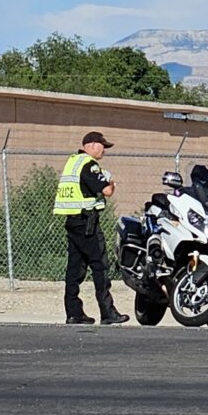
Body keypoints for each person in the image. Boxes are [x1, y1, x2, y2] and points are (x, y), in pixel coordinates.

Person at [55, 130, 127, 325]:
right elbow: (107, 191)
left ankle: (73, 313)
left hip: (72, 221)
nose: (104, 150)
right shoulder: (89, 165)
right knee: (100, 266)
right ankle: (107, 312)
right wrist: (111, 182)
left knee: (75, 269)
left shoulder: (73, 162)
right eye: (103, 146)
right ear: (93, 145)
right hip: (87, 223)